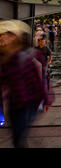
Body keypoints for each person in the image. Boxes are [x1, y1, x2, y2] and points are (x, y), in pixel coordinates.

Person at [0, 20, 50, 148]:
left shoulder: (25, 58)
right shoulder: (6, 59)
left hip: (26, 105)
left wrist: (45, 100)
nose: (2, 37)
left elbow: (39, 82)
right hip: (13, 105)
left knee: (18, 140)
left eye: (5, 35)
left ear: (13, 37)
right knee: (17, 139)